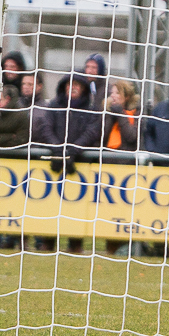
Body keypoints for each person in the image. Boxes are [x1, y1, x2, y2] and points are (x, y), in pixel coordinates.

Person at [44, 73, 102, 253]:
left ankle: (75, 244)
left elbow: (92, 132)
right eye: (70, 84)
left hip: (81, 165)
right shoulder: (54, 105)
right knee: (50, 206)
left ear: (84, 88)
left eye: (77, 84)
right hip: (55, 164)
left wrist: (73, 151)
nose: (73, 87)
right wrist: (57, 150)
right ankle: (47, 242)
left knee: (77, 208)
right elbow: (46, 128)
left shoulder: (91, 109)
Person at [20, 73, 58, 149]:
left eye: (30, 84)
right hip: (15, 151)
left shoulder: (47, 108)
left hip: (38, 151)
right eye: (23, 84)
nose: (26, 87)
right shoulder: (15, 105)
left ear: (39, 86)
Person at [102, 79, 140, 154]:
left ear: (127, 97)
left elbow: (131, 137)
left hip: (126, 157)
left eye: (117, 93)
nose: (112, 96)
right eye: (112, 93)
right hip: (108, 157)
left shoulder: (136, 113)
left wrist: (120, 113)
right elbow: (102, 136)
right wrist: (110, 116)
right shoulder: (106, 112)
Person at [0, 84, 30, 148]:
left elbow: (21, 140)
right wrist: (10, 136)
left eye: (0, 100)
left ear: (8, 99)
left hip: (15, 153)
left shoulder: (21, 114)